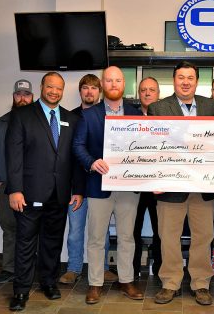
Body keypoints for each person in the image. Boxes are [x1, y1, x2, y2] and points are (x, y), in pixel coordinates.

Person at [6, 72, 85, 311]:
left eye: (59, 88)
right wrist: (15, 190)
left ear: (63, 91)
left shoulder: (72, 119)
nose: (54, 92)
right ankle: (20, 291)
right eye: (50, 87)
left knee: (52, 243)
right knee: (26, 243)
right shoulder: (22, 115)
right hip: (28, 194)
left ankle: (49, 283)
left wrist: (78, 190)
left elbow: (75, 157)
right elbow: (14, 156)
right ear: (42, 87)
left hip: (59, 194)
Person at [148, 61, 214, 306]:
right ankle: (170, 282)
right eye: (181, 77)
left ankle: (201, 283)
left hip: (203, 187)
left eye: (190, 77)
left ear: (197, 81)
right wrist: (154, 178)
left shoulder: (211, 106)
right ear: (174, 79)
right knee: (168, 236)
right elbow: (153, 147)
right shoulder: (158, 107)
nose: (186, 82)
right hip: (170, 187)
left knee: (204, 236)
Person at [73, 66, 144, 305]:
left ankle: (126, 280)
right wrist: (92, 162)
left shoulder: (136, 115)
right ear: (103, 84)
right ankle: (95, 283)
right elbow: (78, 146)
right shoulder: (88, 115)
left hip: (128, 187)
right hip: (98, 186)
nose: (113, 84)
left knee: (127, 237)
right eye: (109, 81)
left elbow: (147, 149)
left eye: (118, 81)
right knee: (96, 238)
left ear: (124, 84)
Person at [59, 74, 118, 285]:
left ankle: (102, 268)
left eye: (94, 88)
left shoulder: (107, 116)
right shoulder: (69, 118)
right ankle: (74, 268)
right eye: (85, 88)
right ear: (80, 91)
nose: (89, 92)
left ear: (99, 91)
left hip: (99, 184)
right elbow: (68, 153)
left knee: (100, 231)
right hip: (76, 185)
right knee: (75, 230)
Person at [0, 79, 34, 284]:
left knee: (32, 230)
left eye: (26, 95)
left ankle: (32, 268)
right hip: (6, 188)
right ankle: (8, 268)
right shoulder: (1, 124)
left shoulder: (39, 123)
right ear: (13, 97)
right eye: (18, 95)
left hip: (32, 187)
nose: (22, 98)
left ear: (32, 97)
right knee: (9, 228)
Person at [133, 77, 162, 278]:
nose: (147, 93)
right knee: (132, 231)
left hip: (160, 185)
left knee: (161, 232)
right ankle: (132, 272)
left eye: (152, 90)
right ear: (139, 93)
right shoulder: (129, 117)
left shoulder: (167, 116)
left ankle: (161, 271)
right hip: (134, 184)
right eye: (143, 90)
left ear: (158, 93)